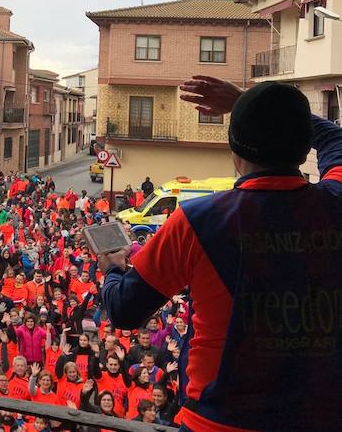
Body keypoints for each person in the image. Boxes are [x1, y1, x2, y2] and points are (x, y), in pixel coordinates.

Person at [99, 76, 342, 431]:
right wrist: (250, 102)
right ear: (306, 151)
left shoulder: (198, 221)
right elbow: (336, 138)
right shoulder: (335, 204)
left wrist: (111, 268)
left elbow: (124, 309)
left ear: (235, 151)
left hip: (218, 420)